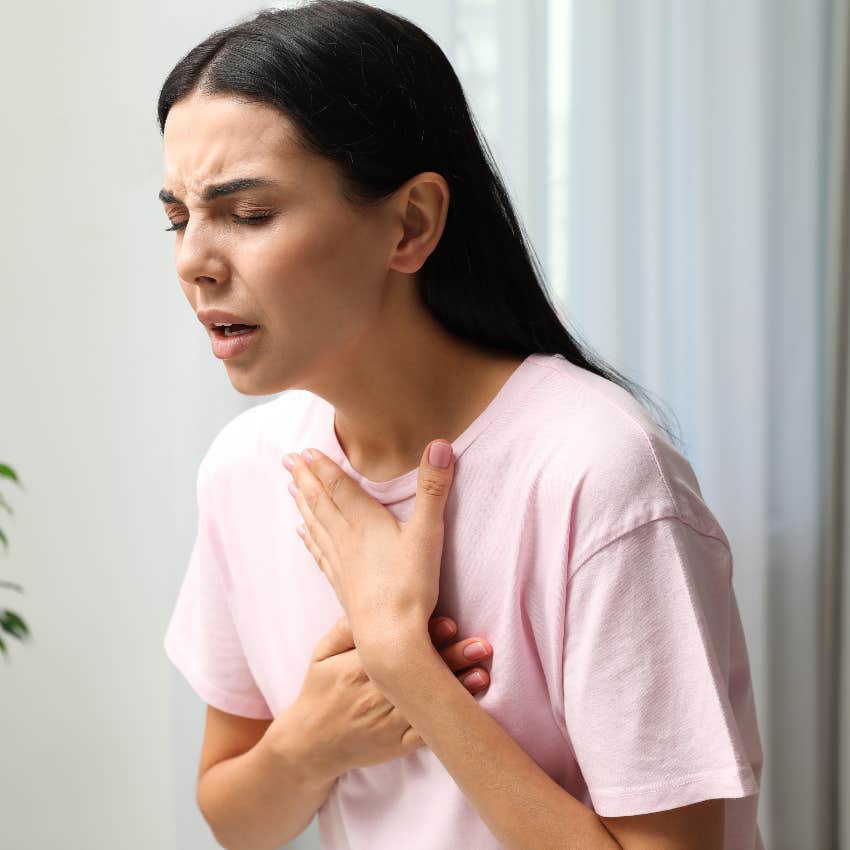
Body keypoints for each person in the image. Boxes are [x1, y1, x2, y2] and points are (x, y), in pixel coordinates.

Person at [160, 2, 764, 848]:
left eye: (249, 214)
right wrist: (315, 740)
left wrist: (407, 667)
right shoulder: (244, 470)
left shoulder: (598, 472)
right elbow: (236, 818)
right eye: (178, 217)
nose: (192, 260)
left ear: (410, 223)